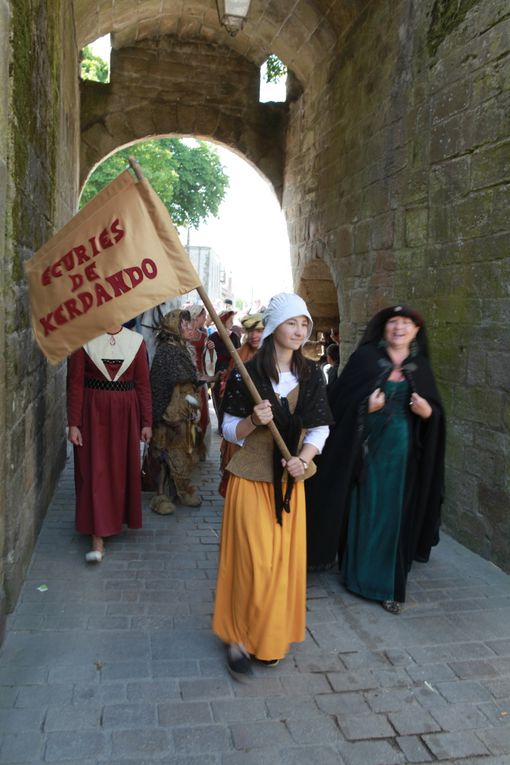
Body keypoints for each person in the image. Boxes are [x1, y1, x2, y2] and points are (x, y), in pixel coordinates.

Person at [212, 293, 332, 680]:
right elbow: (228, 428)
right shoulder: (247, 372)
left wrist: (306, 457)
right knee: (252, 563)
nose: (299, 331)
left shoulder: (312, 374)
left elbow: (320, 427)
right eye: (291, 323)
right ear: (275, 326)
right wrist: (251, 420)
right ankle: (237, 636)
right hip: (249, 479)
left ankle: (268, 639)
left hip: (287, 481)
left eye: (304, 324)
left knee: (279, 565)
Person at [306, 305, 446, 614]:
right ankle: (357, 577)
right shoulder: (366, 359)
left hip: (403, 456)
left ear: (416, 330)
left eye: (406, 323)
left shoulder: (419, 365)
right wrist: (364, 408)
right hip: (366, 451)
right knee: (365, 508)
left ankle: (386, 586)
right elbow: (340, 401)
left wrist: (428, 413)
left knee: (395, 514)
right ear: (383, 328)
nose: (399, 328)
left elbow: (435, 413)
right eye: (393, 322)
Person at [67, 325, 152, 562]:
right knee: (94, 472)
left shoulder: (136, 341)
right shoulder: (83, 339)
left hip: (126, 414)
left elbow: (143, 384)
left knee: (119, 470)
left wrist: (147, 421)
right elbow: (74, 384)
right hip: (92, 413)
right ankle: (98, 535)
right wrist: (73, 423)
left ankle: (115, 518)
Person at [149, 309, 202, 515]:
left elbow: (189, 381)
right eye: (185, 325)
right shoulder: (167, 351)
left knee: (180, 454)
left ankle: (179, 491)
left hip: (181, 413)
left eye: (190, 324)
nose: (190, 328)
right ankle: (160, 496)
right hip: (167, 415)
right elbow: (168, 387)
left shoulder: (181, 349)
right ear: (174, 327)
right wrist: (171, 416)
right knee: (163, 456)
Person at [217, 312, 265, 496]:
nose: (254, 336)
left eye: (259, 330)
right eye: (251, 331)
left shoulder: (275, 354)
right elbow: (227, 388)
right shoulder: (238, 355)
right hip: (241, 420)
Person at [207, 310, 241, 431]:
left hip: (230, 370)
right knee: (217, 396)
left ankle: (226, 425)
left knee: (228, 398)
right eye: (230, 320)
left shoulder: (234, 337)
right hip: (217, 371)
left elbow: (239, 355)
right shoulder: (212, 337)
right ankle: (221, 424)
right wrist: (210, 349)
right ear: (222, 322)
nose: (232, 322)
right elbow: (208, 358)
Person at [187, 303, 211, 461]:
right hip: (185, 380)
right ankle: (186, 449)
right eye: (203, 316)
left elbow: (206, 359)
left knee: (201, 415)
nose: (205, 319)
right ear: (197, 316)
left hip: (200, 380)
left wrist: (211, 349)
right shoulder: (183, 333)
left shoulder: (204, 336)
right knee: (186, 414)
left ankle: (199, 448)